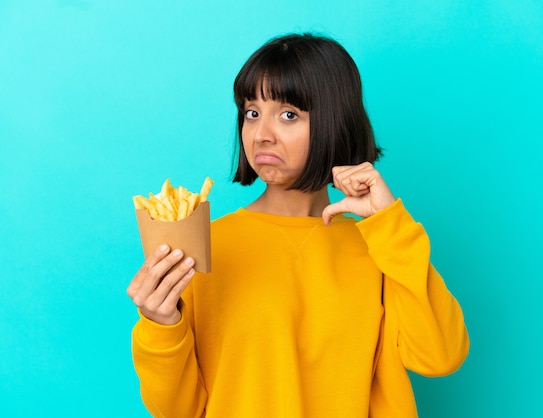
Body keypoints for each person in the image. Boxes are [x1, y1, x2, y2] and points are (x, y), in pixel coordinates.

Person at [127, 33, 469, 418]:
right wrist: (161, 325)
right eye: (252, 112)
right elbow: (176, 410)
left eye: (288, 114)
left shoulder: (381, 247)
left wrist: (391, 226)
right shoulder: (204, 246)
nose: (261, 134)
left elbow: (440, 356)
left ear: (333, 122)